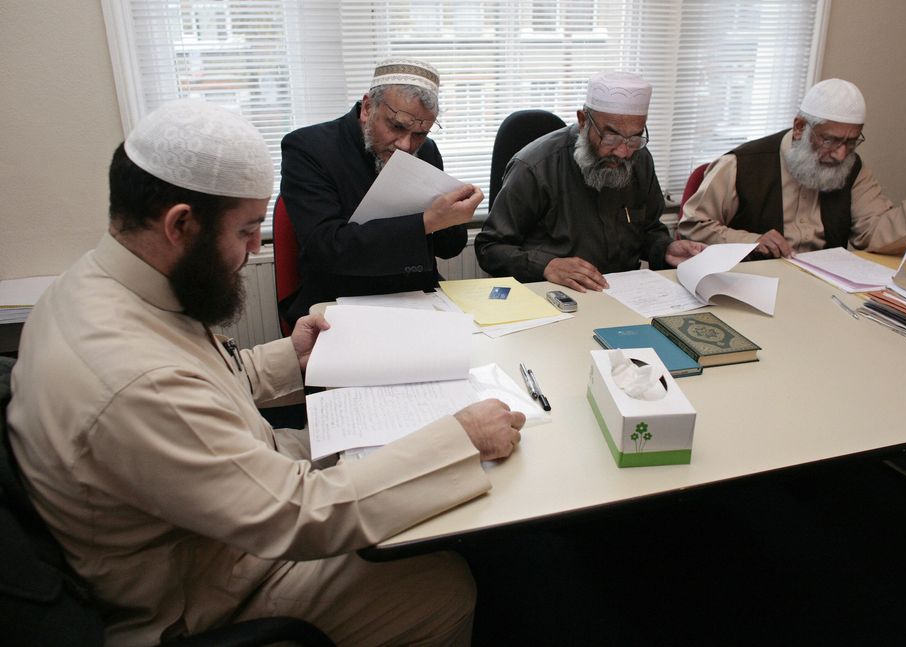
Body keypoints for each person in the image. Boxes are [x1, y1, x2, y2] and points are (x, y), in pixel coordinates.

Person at [7, 99, 524, 646]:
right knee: (442, 583)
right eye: (248, 230)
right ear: (180, 223)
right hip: (209, 587)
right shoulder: (134, 380)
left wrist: (289, 355)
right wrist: (459, 442)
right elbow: (297, 514)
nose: (257, 247)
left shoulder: (92, 285)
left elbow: (200, 381)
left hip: (221, 505)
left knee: (401, 457)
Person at [279, 58, 481, 326]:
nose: (406, 145)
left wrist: (453, 217)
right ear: (367, 108)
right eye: (397, 126)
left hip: (415, 299)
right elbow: (326, 247)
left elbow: (448, 248)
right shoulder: (308, 148)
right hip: (339, 301)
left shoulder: (427, 150)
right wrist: (427, 221)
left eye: (420, 132)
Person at [677, 78, 906, 259]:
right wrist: (751, 242)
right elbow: (693, 228)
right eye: (830, 140)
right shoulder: (741, 165)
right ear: (801, 127)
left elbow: (876, 233)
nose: (841, 154)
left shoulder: (853, 169)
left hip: (826, 293)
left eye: (851, 142)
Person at [474, 70, 704, 293]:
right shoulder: (535, 167)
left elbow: (648, 229)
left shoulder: (639, 159)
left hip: (623, 295)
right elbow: (490, 248)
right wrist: (546, 265)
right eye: (611, 136)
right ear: (583, 121)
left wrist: (665, 248)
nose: (623, 152)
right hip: (552, 299)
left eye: (634, 138)